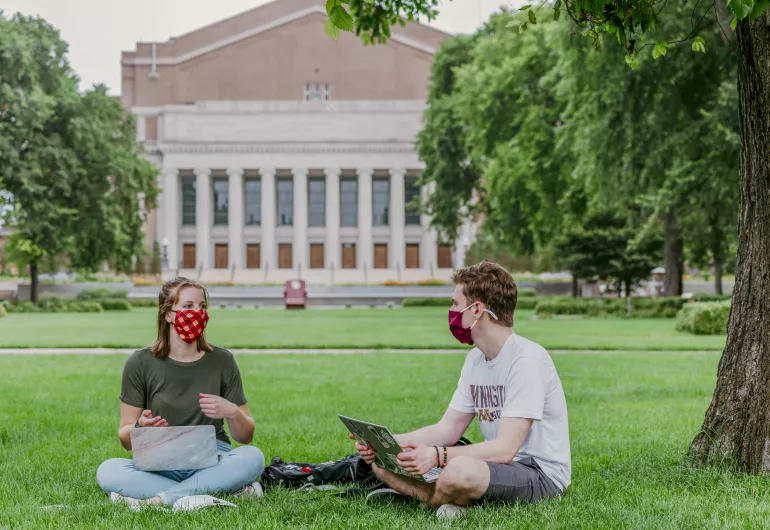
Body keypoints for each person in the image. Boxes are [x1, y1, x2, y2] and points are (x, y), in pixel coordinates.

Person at [352, 261, 571, 518]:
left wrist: (437, 456)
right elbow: (446, 430)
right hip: (497, 467)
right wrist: (388, 443)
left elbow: (504, 449)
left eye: (456, 304)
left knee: (460, 469)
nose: (451, 311)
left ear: (477, 309)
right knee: (384, 463)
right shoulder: (475, 360)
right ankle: (449, 499)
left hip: (538, 473)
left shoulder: (527, 361)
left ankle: (424, 499)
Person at [96, 277, 265, 509]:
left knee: (252, 457)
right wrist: (140, 428)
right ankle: (214, 490)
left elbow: (245, 437)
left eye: (202, 306)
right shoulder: (140, 362)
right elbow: (125, 440)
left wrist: (233, 412)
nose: (198, 312)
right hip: (162, 463)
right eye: (188, 306)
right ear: (168, 314)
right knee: (108, 470)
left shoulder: (222, 360)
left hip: (214, 459)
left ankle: (158, 499)